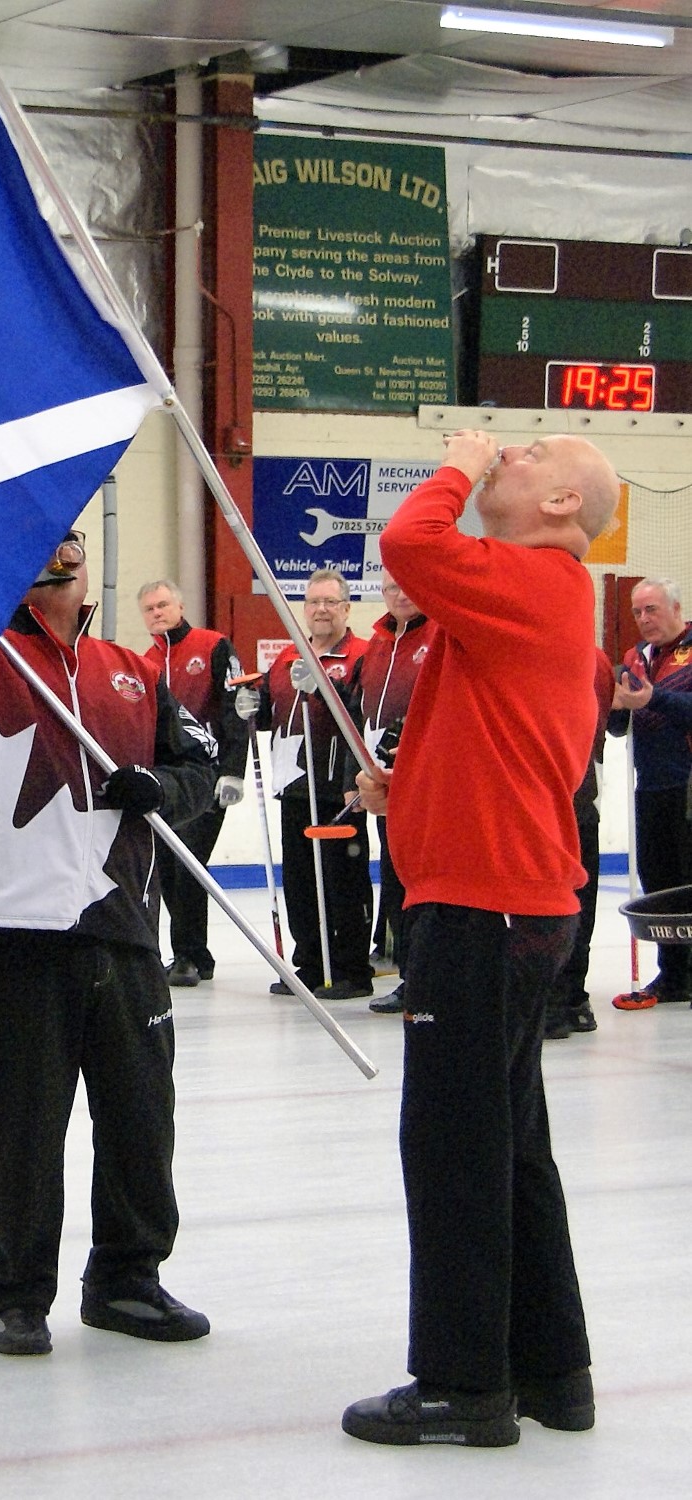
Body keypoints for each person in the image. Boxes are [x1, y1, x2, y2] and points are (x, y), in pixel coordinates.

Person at [342, 430, 620, 1448]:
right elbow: (498, 742)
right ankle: (552, 1370)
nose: (513, 450)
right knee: (510, 1146)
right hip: (510, 901)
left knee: (453, 1146)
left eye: (535, 450)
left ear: (559, 506)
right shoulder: (526, 603)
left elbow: (410, 545)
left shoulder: (538, 578)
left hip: (482, 909)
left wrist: (451, 466)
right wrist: (405, 786)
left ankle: (464, 1383)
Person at [0, 531, 216, 1357]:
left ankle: (128, 1279)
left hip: (124, 923)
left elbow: (201, 768)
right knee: (20, 1125)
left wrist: (162, 788)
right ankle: (19, 1293)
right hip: (9, 932)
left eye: (71, 539)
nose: (58, 553)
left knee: (141, 1115)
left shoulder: (129, 670)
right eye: (39, 537)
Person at [236, 567, 373, 1000]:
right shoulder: (287, 658)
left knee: (341, 880)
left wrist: (321, 691)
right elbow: (273, 713)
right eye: (314, 602)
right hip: (294, 786)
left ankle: (351, 967)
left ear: (347, 608)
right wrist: (250, 707)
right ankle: (310, 964)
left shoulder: (361, 656)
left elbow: (362, 716)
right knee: (299, 880)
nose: (320, 610)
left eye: (330, 602)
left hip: (337, 789)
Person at [138, 577, 248, 986]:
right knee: (168, 868)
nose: (157, 613)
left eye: (163, 605)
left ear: (180, 607)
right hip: (168, 782)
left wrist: (233, 770)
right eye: (149, 609)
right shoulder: (144, 661)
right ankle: (195, 956)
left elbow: (237, 708)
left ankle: (186, 954)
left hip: (209, 777)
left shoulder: (213, 646)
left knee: (188, 864)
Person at [355, 570, 438, 1016]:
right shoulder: (380, 644)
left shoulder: (441, 634)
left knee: (419, 880)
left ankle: (424, 977)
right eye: (391, 588)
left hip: (427, 783)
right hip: (385, 784)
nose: (401, 594)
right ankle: (407, 970)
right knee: (395, 878)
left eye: (409, 585)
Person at [609, 577, 692, 1008]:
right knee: (658, 883)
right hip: (652, 784)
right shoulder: (633, 658)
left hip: (689, 785)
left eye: (652, 610)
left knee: (687, 882)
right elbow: (621, 727)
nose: (643, 619)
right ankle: (675, 974)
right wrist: (616, 709)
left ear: (676, 608)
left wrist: (653, 700)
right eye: (638, 612)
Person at [544, 646, 613, 1038]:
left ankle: (565, 998)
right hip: (557, 799)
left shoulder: (589, 658)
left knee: (570, 902)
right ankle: (564, 998)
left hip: (567, 800)